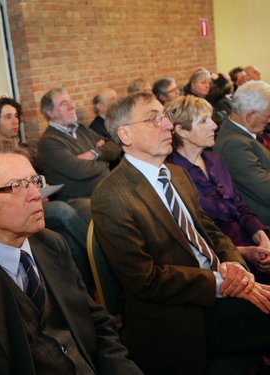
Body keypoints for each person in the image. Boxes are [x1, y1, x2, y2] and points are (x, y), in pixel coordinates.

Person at [0, 137, 143, 375]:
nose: (37, 194)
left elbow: (97, 325)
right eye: (16, 186)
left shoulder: (53, 245)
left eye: (34, 181)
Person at [92, 91, 270, 374]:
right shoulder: (112, 195)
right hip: (178, 313)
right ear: (125, 134)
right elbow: (145, 280)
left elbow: (208, 229)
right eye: (153, 120)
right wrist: (220, 283)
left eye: (164, 117)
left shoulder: (175, 173)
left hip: (216, 289)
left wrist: (234, 264)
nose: (167, 125)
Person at [0, 96, 95, 293]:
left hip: (41, 201)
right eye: (8, 117)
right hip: (17, 208)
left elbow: (40, 176)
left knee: (78, 218)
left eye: (16, 116)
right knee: (62, 211)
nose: (15, 121)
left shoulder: (24, 148)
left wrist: (41, 186)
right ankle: (98, 250)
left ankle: (88, 292)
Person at [165, 95, 270, 281]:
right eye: (204, 121)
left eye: (211, 119)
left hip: (249, 240)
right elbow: (190, 237)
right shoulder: (172, 174)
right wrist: (243, 252)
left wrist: (262, 237)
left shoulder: (215, 160)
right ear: (181, 131)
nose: (214, 125)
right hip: (220, 259)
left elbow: (241, 207)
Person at [37, 88, 121, 223]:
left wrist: (94, 153)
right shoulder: (48, 141)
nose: (72, 106)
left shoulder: (81, 129)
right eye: (64, 104)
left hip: (105, 190)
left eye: (71, 101)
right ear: (50, 113)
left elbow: (115, 146)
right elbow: (80, 171)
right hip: (78, 199)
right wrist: (105, 159)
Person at [214, 80, 270, 226]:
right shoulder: (234, 145)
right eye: (268, 115)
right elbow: (267, 191)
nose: (269, 120)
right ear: (249, 116)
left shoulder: (241, 135)